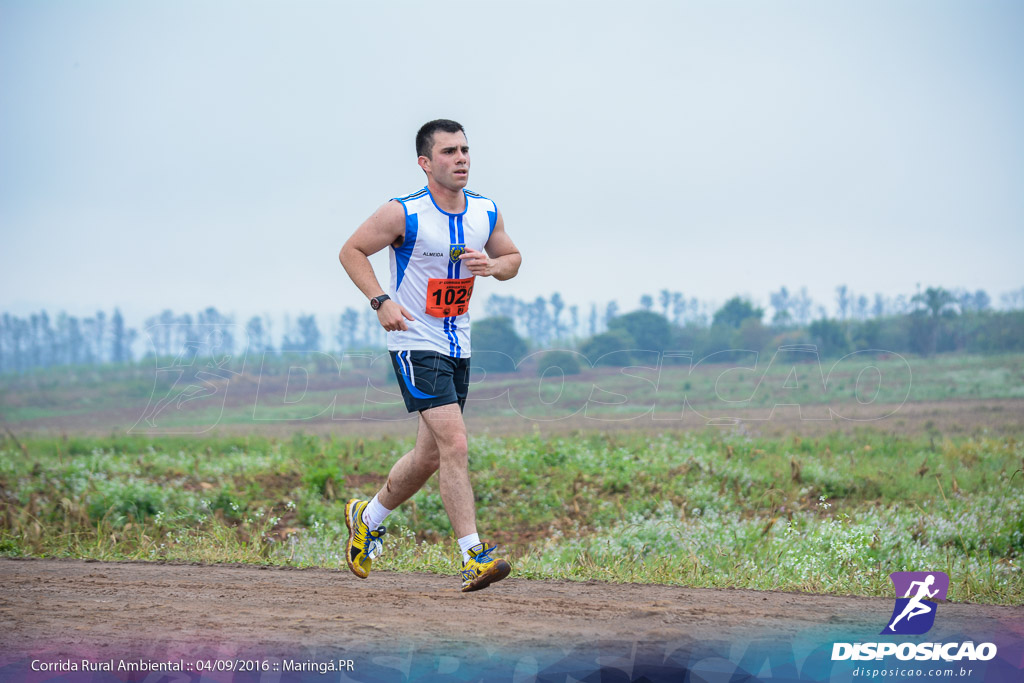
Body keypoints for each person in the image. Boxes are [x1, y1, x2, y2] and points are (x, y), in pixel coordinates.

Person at [338, 119, 522, 592]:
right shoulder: (404, 213)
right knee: (456, 445)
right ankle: (473, 557)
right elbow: (352, 250)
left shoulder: (485, 211)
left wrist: (494, 265)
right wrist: (381, 301)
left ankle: (368, 516)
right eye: (448, 152)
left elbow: (513, 260)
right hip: (415, 341)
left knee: (429, 456)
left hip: (459, 342)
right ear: (425, 162)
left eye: (464, 150)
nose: (460, 158)